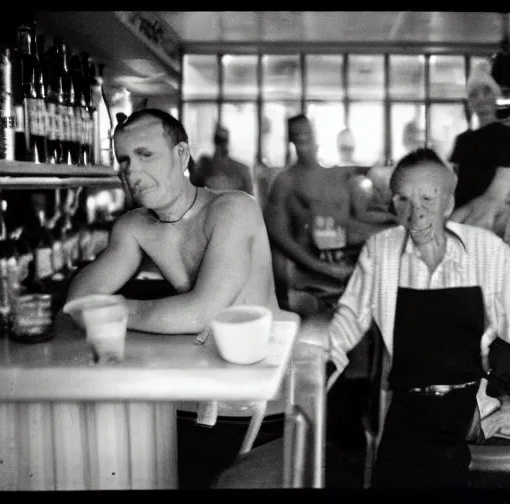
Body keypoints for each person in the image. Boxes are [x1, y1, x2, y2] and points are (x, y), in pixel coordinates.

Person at [65, 108, 281, 489]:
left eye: (146, 155)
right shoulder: (135, 227)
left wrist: (114, 311)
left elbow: (202, 311)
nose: (132, 172)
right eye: (124, 160)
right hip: (189, 398)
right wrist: (107, 310)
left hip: (255, 406)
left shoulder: (233, 209)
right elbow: (80, 298)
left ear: (182, 155)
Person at [326, 148, 510, 488]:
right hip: (411, 407)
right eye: (403, 201)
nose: (415, 214)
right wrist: (308, 378)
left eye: (427, 199)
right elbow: (344, 327)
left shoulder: (489, 254)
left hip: (468, 404)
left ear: (449, 205)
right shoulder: (381, 253)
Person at [264, 114, 385, 311]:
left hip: (345, 274)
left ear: (315, 134)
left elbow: (348, 223)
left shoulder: (336, 176)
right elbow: (277, 236)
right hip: (310, 280)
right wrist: (322, 269)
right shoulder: (285, 181)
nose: (303, 137)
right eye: (297, 133)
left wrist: (388, 223)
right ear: (290, 139)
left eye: (306, 132)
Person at [449, 61, 510, 240]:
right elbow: (453, 179)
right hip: (460, 208)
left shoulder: (506, 134)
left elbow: (498, 189)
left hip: (490, 212)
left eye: (486, 91)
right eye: (474, 94)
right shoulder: (462, 140)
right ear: (469, 102)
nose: (481, 98)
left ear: (495, 95)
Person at [189, 124, 254, 195]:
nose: (221, 146)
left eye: (222, 141)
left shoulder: (242, 169)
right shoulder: (204, 166)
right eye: (220, 141)